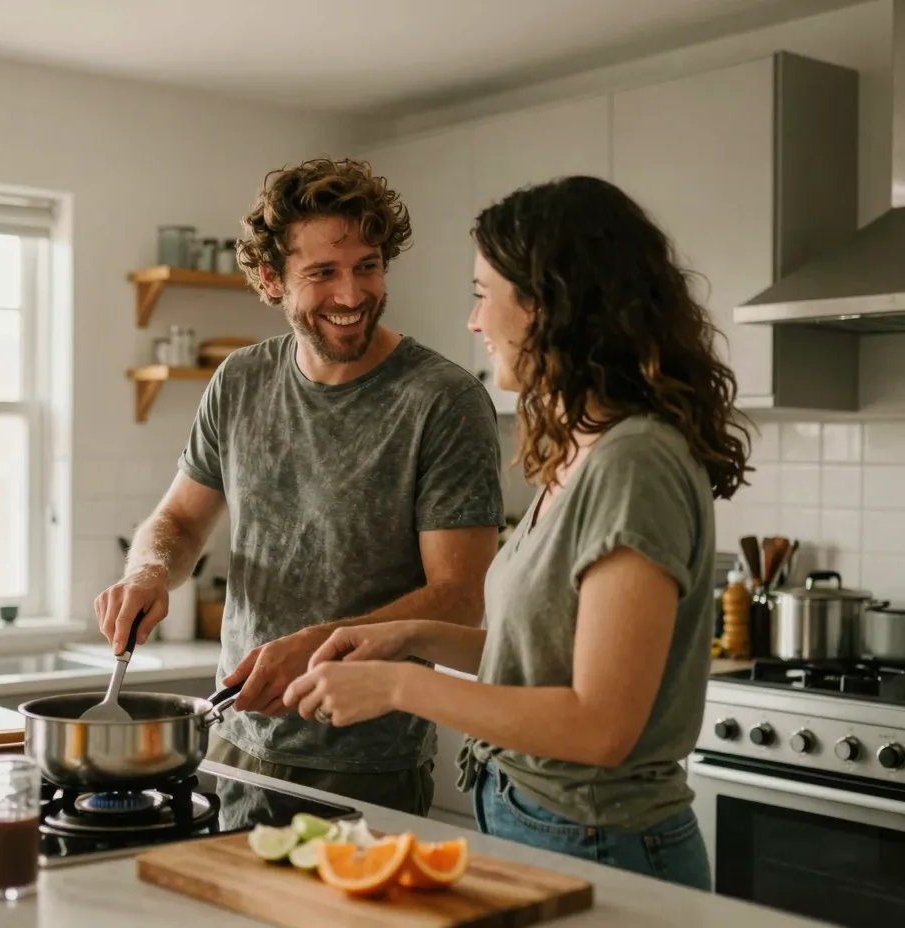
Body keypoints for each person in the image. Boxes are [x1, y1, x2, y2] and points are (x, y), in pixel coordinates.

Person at [283, 175, 751, 890]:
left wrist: (398, 688)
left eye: (483, 294)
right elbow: (541, 662)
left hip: (603, 842)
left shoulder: (635, 463)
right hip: (541, 825)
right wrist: (407, 638)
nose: (474, 322)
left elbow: (600, 726)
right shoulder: (584, 450)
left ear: (547, 305)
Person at [94, 157, 505, 817]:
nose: (352, 294)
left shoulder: (442, 400)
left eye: (367, 266)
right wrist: (148, 571)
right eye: (322, 273)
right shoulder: (240, 381)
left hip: (366, 763)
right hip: (233, 741)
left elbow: (458, 599)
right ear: (270, 279)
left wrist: (315, 645)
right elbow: (181, 522)